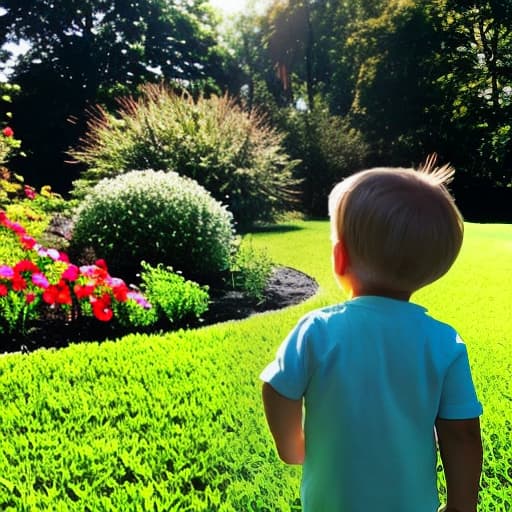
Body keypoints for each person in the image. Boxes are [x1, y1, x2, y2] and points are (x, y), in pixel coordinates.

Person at [260, 161, 483, 512]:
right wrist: (461, 505)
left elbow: (277, 386)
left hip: (330, 503)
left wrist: (291, 446)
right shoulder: (444, 343)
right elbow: (463, 433)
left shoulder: (317, 330)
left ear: (339, 257)